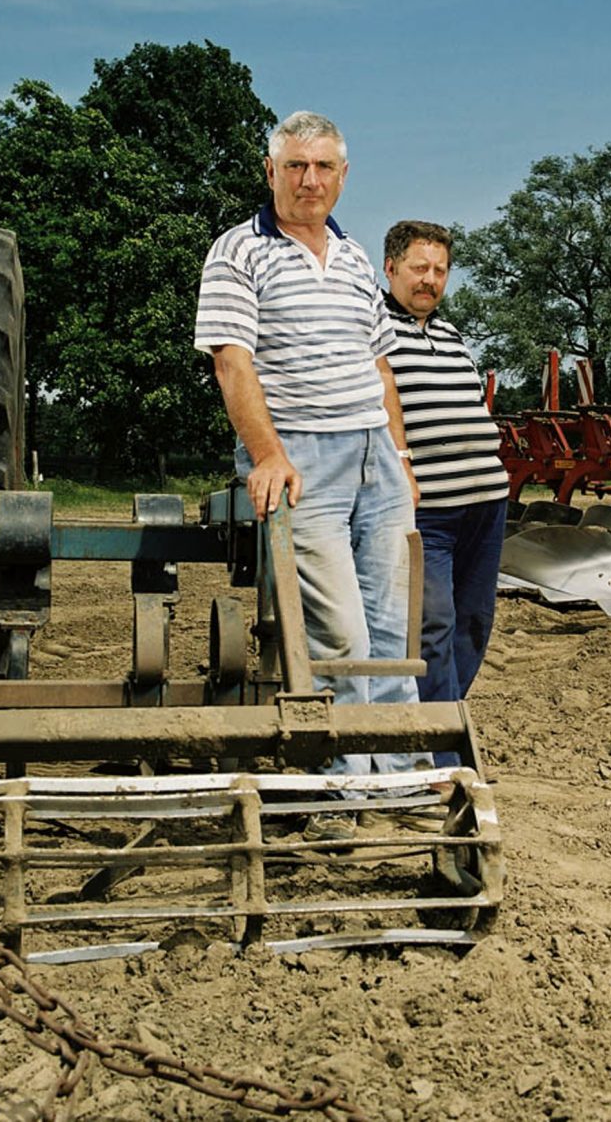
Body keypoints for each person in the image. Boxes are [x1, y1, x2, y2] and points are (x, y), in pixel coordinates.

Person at [194, 111, 425, 841]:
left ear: (343, 175)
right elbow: (232, 360)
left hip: (374, 461)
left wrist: (402, 456)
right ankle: (338, 780)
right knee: (338, 630)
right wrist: (266, 455)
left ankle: (397, 770)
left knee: (391, 628)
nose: (310, 179)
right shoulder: (238, 251)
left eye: (323, 166)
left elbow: (380, 366)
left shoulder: (356, 257)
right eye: (296, 166)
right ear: (271, 171)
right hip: (300, 458)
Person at [382, 220, 509, 768]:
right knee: (433, 624)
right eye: (419, 268)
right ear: (390, 268)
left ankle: (438, 727)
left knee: (475, 620)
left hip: (486, 501)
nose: (429, 280)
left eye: (439, 270)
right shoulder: (375, 330)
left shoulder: (452, 334)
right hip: (428, 507)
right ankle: (442, 758)